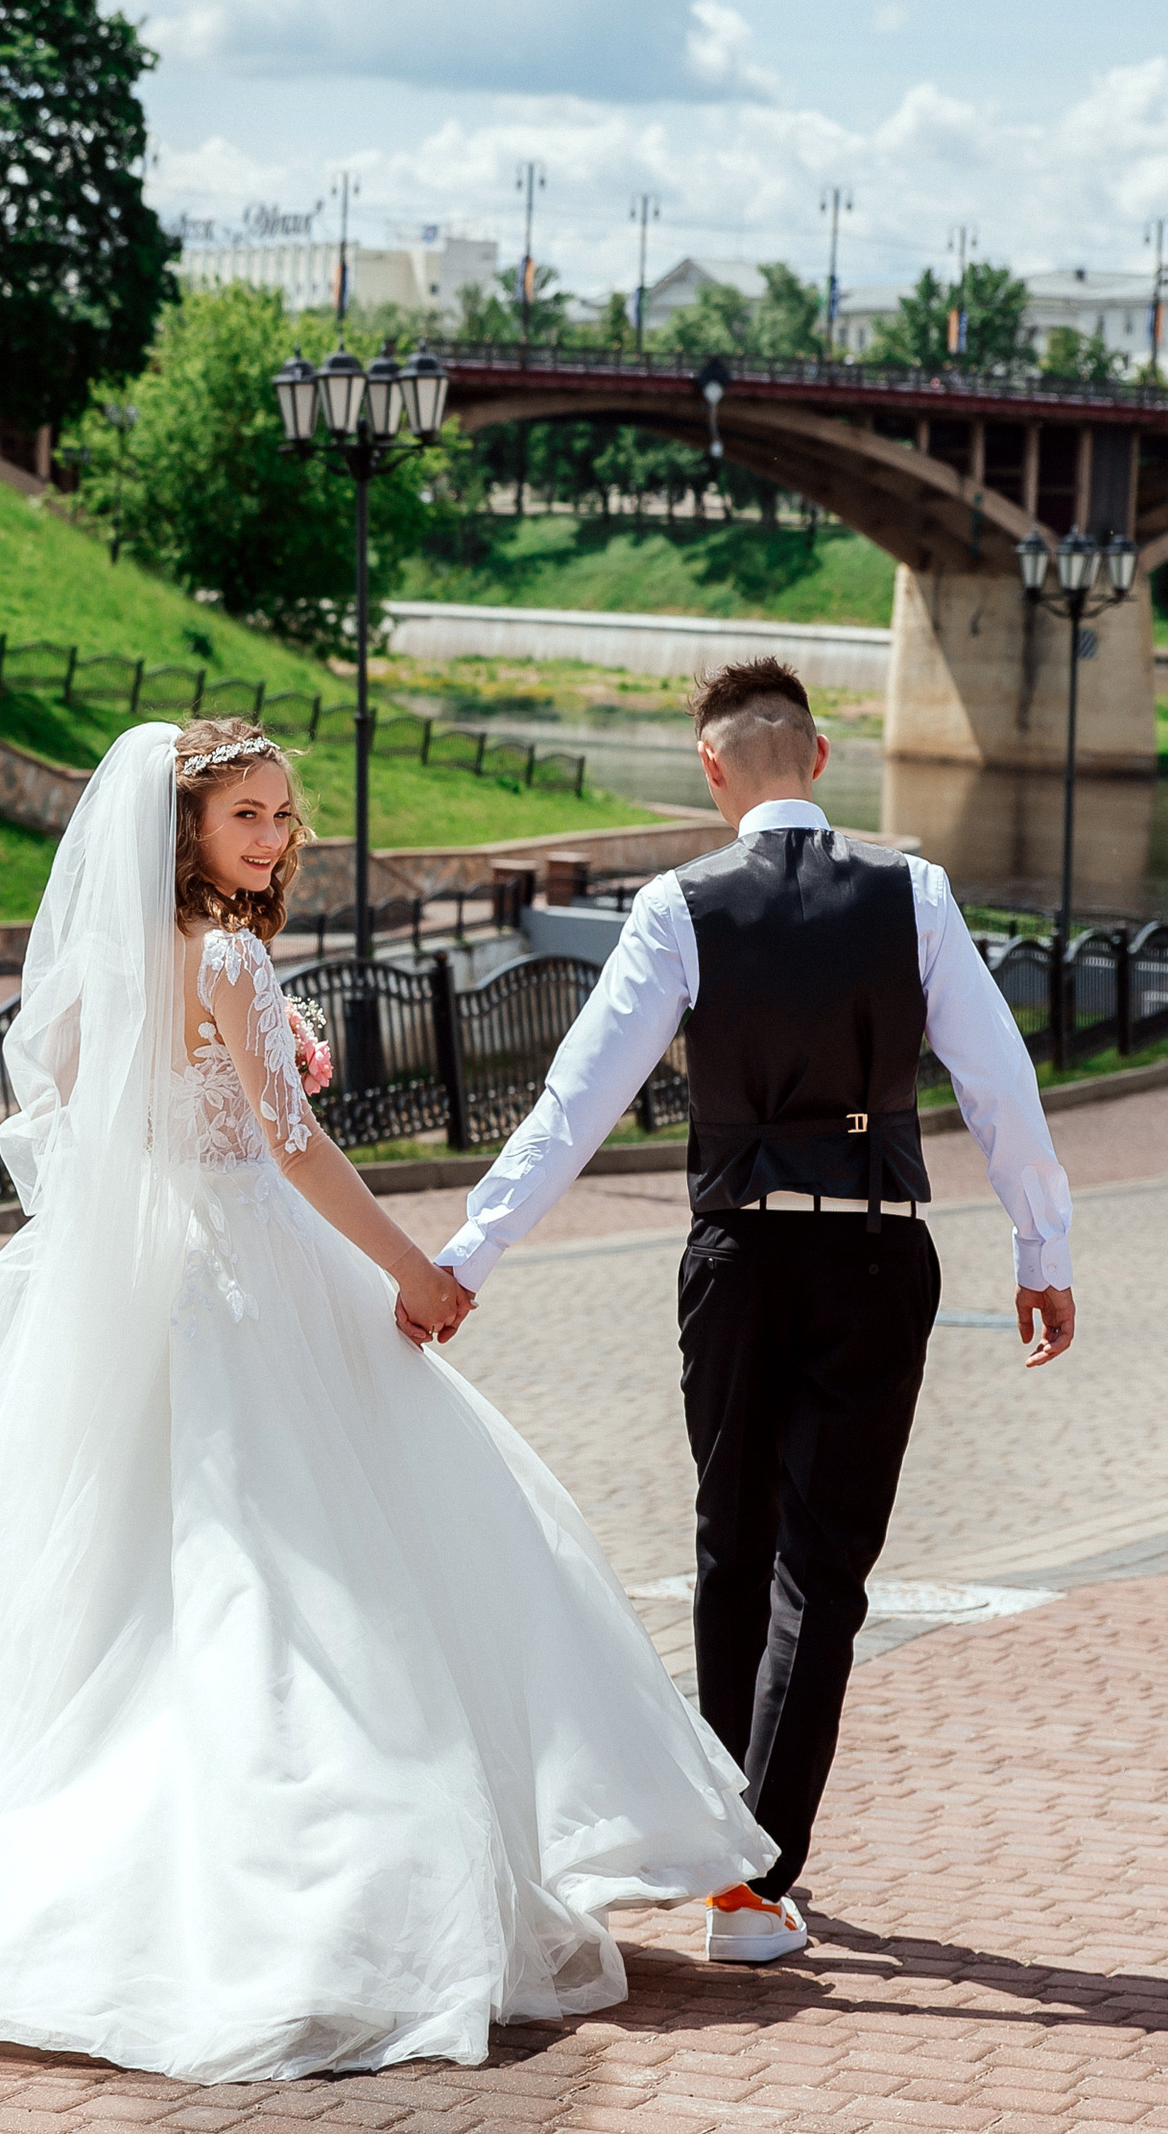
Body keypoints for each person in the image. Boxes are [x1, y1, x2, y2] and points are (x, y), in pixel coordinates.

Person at [0, 716, 774, 2081]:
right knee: (289, 1571)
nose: (278, 838)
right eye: (250, 817)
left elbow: (72, 1095)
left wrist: (245, 1060)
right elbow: (290, 1152)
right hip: (249, 1274)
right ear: (184, 831)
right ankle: (288, 1888)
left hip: (161, 1276)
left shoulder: (129, 956)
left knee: (157, 1573)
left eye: (287, 817)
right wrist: (418, 1268)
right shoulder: (225, 951)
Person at [427, 657, 1076, 1970]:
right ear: (822, 760)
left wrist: (469, 1255)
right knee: (821, 1572)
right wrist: (1041, 1243)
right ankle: (753, 1878)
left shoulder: (679, 907)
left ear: (712, 770)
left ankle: (741, 1867)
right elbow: (997, 1082)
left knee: (735, 1545)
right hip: (880, 1253)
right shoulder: (917, 894)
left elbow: (576, 1103)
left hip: (736, 1255)